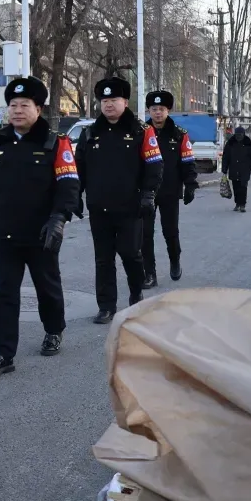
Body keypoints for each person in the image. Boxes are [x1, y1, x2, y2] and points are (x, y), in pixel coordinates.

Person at [0, 76, 79, 377]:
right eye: (13, 105)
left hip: (41, 233)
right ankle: (3, 353)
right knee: (4, 293)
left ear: (39, 109)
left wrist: (58, 219)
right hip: (4, 233)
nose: (17, 110)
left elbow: (69, 185)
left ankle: (54, 329)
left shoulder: (55, 142)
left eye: (24, 105)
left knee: (47, 287)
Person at [75, 76, 163, 325]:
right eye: (104, 101)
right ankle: (106, 306)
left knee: (130, 254)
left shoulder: (141, 131)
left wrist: (148, 194)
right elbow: (79, 167)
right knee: (103, 259)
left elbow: (154, 165)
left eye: (114, 99)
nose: (109, 104)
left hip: (130, 207)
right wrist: (75, 197)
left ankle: (136, 295)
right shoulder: (90, 133)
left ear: (125, 102)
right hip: (99, 207)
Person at [142, 90, 198, 288]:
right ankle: (149, 273)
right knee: (145, 234)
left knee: (170, 231)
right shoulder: (140, 132)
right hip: (146, 192)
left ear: (168, 111)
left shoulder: (179, 134)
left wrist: (190, 185)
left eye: (161, 109)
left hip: (170, 190)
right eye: (154, 109)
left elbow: (188, 162)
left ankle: (175, 261)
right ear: (149, 111)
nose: (158, 113)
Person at [221, 127, 251, 212]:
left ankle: (242, 205)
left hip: (245, 168)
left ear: (243, 134)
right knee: (236, 187)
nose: (239, 137)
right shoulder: (231, 143)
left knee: (243, 187)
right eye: (237, 135)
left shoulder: (248, 143)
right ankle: (237, 203)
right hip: (234, 168)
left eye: (240, 135)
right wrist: (224, 169)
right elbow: (226, 157)